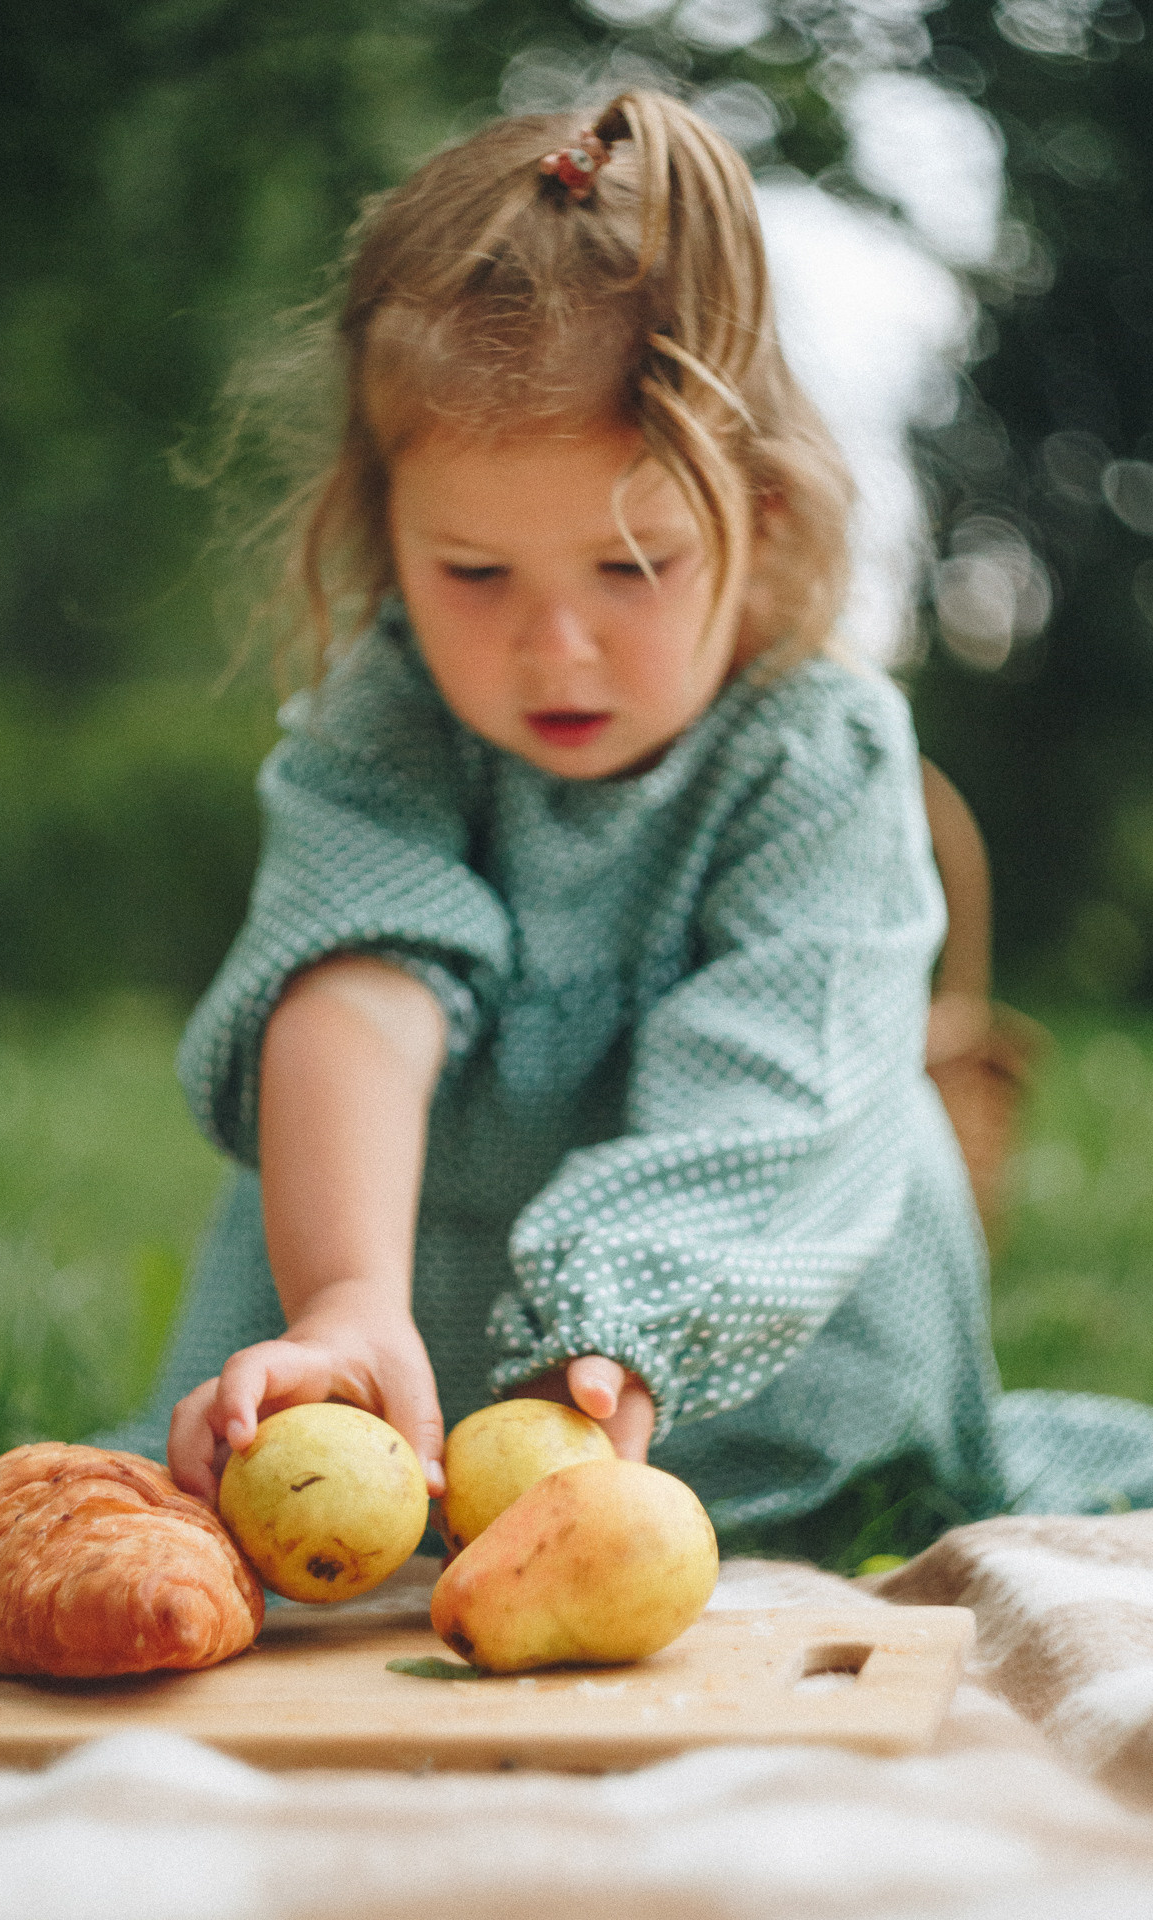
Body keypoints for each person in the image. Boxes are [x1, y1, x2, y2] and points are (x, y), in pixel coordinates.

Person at [107, 91, 1153, 1552]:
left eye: (634, 566)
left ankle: (787, 1487)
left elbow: (776, 1089)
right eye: (473, 572)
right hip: (414, 1325)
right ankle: (395, 1408)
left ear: (766, 517)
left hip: (756, 1327)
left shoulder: (816, 749)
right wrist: (347, 1294)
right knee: (324, 1544)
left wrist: (615, 1330)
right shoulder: (388, 725)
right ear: (380, 531)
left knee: (796, 1548)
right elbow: (355, 990)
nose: (558, 648)